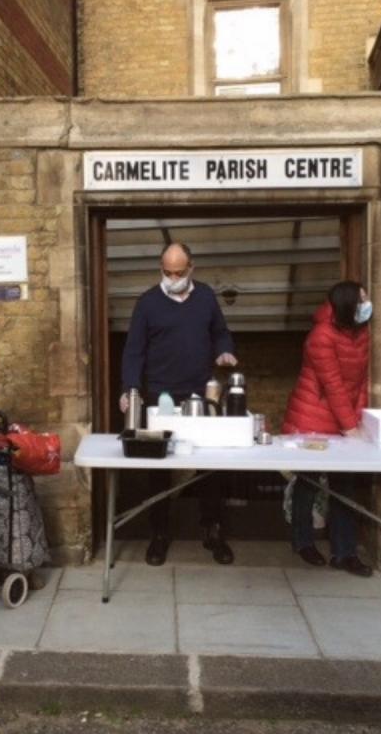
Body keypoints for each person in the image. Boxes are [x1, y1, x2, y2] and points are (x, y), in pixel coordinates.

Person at [120, 242, 238, 566]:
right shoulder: (147, 303)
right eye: (167, 272)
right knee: (159, 469)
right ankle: (158, 533)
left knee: (210, 465)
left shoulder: (205, 298)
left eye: (179, 272)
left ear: (191, 269)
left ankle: (212, 529)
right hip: (161, 395)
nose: (173, 278)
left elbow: (220, 332)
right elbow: (134, 351)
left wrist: (224, 349)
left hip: (201, 394)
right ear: (161, 268)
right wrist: (129, 388)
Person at [281, 280, 373, 577]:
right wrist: (350, 427)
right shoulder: (321, 336)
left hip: (344, 421)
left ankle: (344, 552)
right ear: (347, 305)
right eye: (361, 300)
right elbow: (332, 385)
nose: (366, 304)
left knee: (344, 486)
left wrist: (358, 419)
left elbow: (360, 383)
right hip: (312, 420)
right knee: (308, 484)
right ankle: (303, 542)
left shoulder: (361, 333)